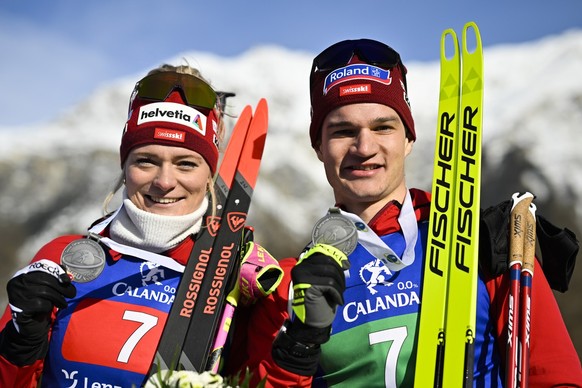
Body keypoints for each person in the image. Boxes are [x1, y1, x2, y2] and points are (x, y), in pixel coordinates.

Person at [225, 39, 582, 387]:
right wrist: (299, 345)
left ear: (409, 139)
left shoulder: (484, 242)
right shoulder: (290, 283)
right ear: (318, 145)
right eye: (343, 131)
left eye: (383, 127)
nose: (364, 147)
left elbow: (555, 375)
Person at [0, 64, 264, 387]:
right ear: (124, 166)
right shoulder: (62, 259)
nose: (165, 182)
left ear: (210, 174)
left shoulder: (234, 276)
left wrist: (298, 345)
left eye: (185, 164)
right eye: (146, 161)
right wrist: (17, 347)